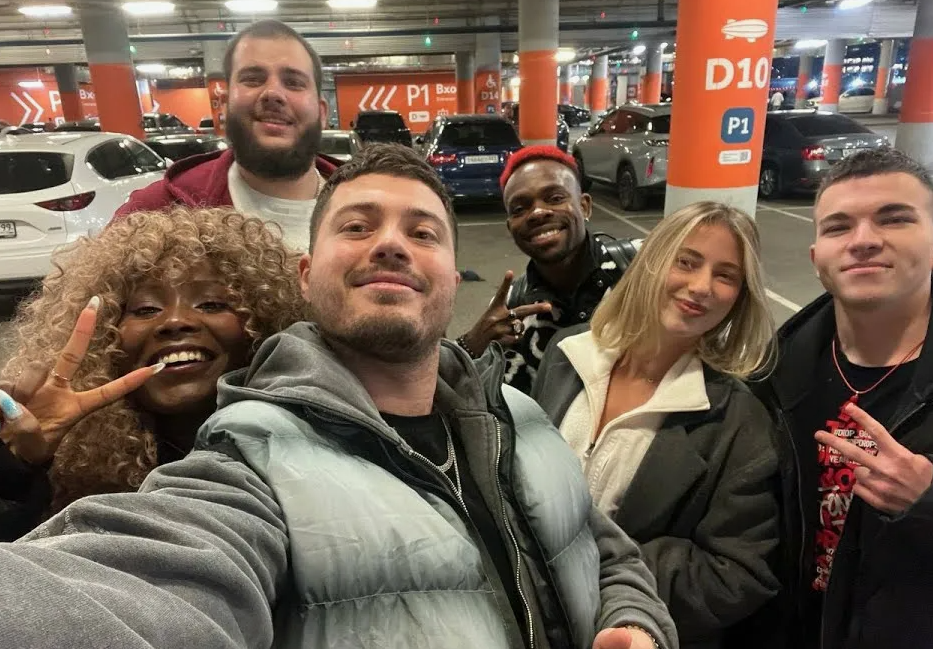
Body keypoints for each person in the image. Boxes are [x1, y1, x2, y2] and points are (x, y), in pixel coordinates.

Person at [0, 144, 679, 649]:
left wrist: (635, 622)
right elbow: (131, 588)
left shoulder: (520, 415)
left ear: (451, 276)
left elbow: (603, 549)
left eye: (422, 232)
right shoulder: (250, 460)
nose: (390, 244)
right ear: (305, 275)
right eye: (356, 227)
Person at [531, 202, 780, 649]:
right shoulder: (567, 354)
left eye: (726, 275)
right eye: (686, 261)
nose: (701, 286)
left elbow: (738, 572)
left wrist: (598, 574)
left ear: (740, 297)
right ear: (650, 261)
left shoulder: (740, 422)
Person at [0, 207, 305, 540]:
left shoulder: (306, 456)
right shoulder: (67, 476)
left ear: (265, 324)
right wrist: (15, 473)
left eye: (211, 304)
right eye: (146, 309)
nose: (175, 321)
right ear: (105, 339)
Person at [754, 148, 933, 649]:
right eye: (838, 227)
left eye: (894, 218)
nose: (864, 240)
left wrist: (927, 501)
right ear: (817, 260)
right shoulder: (773, 374)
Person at [112, 20, 338, 250]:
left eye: (293, 82)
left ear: (322, 113)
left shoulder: (360, 198)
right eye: (253, 79)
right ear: (225, 105)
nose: (272, 93)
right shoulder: (153, 215)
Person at [456, 145, 640, 394]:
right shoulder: (512, 309)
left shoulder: (642, 267)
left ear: (585, 206)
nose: (538, 213)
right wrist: (475, 345)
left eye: (555, 198)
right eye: (519, 209)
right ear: (511, 228)